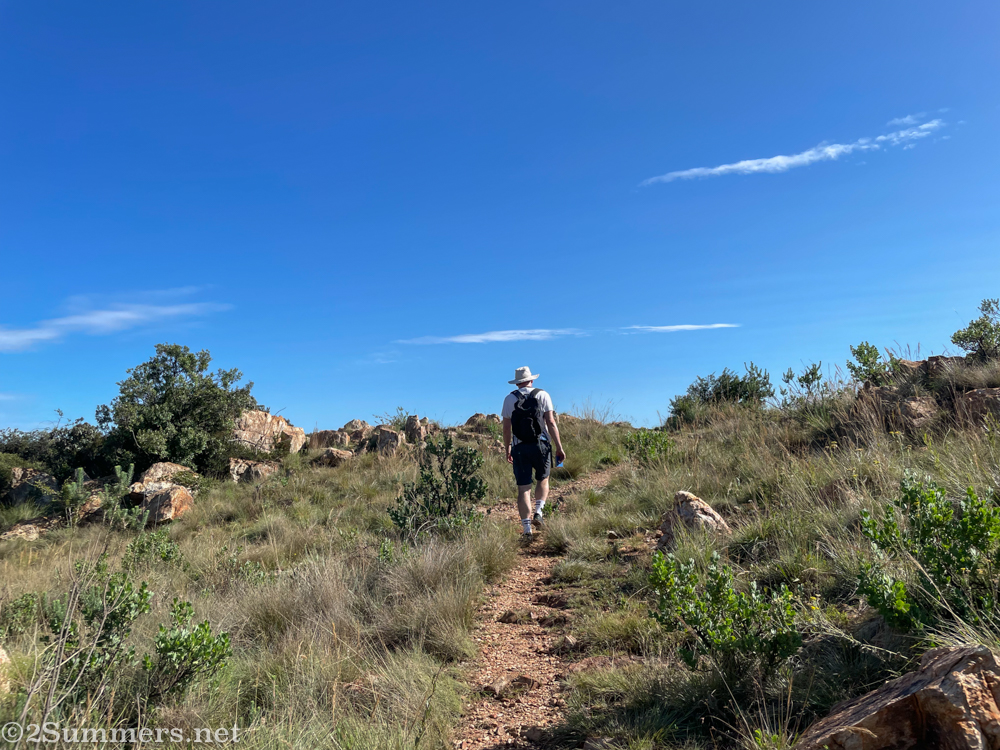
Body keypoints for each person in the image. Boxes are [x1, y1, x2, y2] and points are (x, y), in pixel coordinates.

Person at [501, 366, 566, 540]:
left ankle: (527, 530)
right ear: (531, 380)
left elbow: (507, 428)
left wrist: (507, 448)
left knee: (523, 488)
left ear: (517, 382)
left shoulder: (509, 399)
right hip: (541, 445)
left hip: (520, 447)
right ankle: (538, 512)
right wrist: (559, 447)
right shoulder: (542, 395)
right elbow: (551, 422)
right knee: (543, 479)